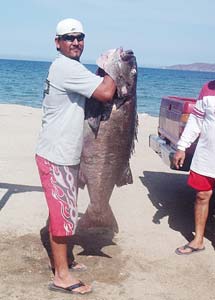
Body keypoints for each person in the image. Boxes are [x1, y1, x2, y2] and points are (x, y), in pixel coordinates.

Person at [35, 18, 116, 294]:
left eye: (79, 37)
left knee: (62, 210)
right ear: (58, 42)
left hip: (62, 154)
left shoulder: (68, 68)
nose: (76, 42)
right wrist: (116, 71)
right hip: (57, 155)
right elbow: (106, 92)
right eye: (69, 38)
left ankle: (65, 257)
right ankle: (61, 276)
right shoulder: (66, 67)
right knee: (63, 214)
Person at [173, 80, 215, 255]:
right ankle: (198, 240)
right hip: (207, 155)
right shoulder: (208, 88)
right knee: (202, 196)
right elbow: (196, 121)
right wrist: (182, 146)